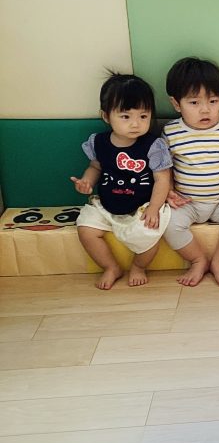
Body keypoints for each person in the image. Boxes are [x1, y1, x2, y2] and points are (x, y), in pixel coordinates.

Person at [71, 73, 171, 290]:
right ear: (106, 116)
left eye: (143, 116)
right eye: (126, 116)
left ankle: (138, 267)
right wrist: (87, 182)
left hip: (142, 207)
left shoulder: (153, 145)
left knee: (150, 236)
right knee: (85, 228)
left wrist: (154, 208)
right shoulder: (99, 142)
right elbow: (95, 167)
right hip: (106, 205)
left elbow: (163, 179)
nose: (136, 124)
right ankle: (111, 267)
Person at [162, 57, 219, 287]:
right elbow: (165, 168)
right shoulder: (171, 132)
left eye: (213, 101)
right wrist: (169, 191)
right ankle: (198, 260)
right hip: (187, 202)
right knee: (169, 223)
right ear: (176, 104)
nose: (205, 109)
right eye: (194, 103)